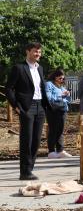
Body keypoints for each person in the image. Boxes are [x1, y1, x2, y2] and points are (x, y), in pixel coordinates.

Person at [6, 42, 51, 180]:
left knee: (36, 140)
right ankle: (24, 172)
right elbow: (8, 88)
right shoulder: (19, 68)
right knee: (27, 139)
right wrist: (16, 107)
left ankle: (29, 169)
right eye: (35, 51)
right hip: (27, 107)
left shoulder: (40, 68)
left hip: (40, 107)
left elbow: (41, 88)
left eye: (39, 52)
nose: (38, 54)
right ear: (28, 51)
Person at [44, 68, 73, 159]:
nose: (61, 80)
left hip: (62, 110)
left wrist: (67, 95)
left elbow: (68, 100)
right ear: (55, 77)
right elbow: (48, 97)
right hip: (53, 110)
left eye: (63, 79)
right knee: (53, 130)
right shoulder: (49, 84)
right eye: (60, 78)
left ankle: (60, 150)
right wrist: (61, 95)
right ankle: (51, 151)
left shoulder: (62, 87)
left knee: (60, 130)